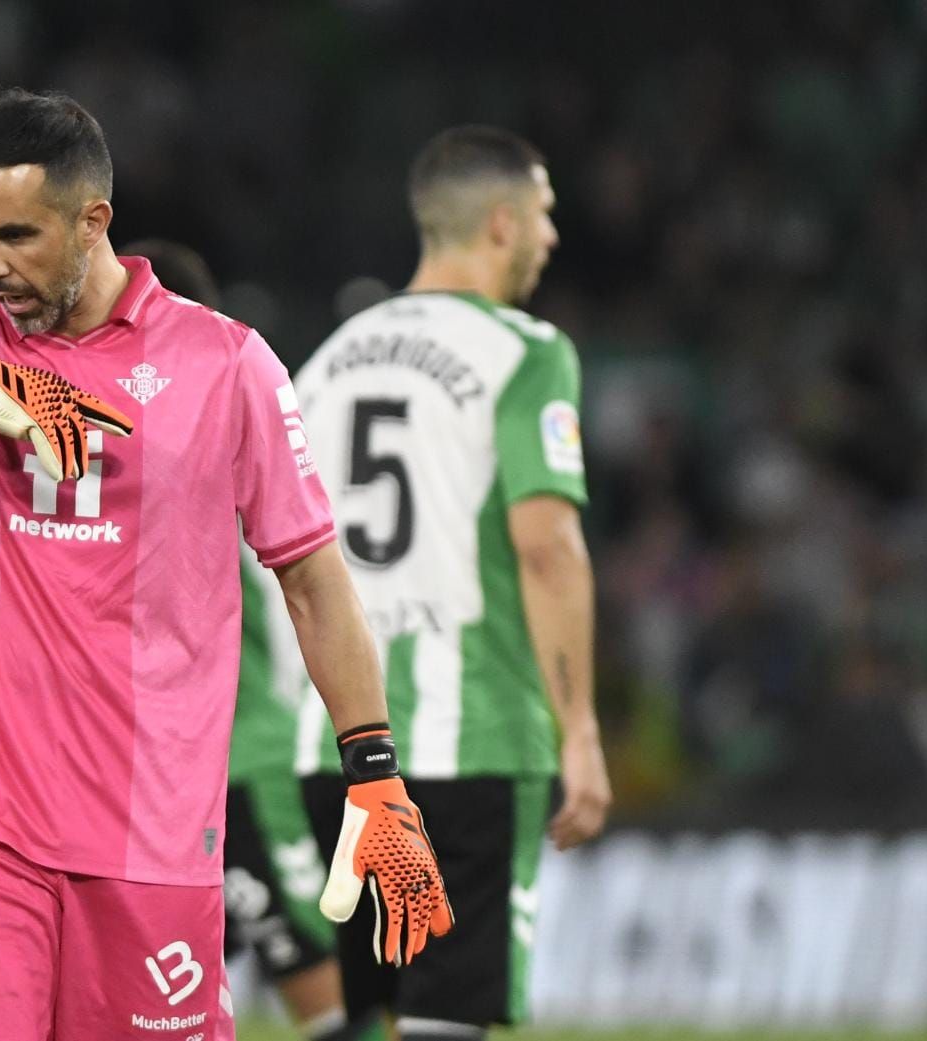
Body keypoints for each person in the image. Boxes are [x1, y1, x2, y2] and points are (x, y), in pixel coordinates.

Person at [0, 89, 449, 1041]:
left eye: (19, 236)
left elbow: (313, 578)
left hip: (151, 823)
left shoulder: (224, 365)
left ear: (93, 220)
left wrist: (376, 771)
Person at [293, 126, 612, 1041]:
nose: (553, 238)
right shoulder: (525, 351)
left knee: (368, 1018)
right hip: (469, 739)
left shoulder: (323, 363)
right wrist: (580, 727)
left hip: (339, 749)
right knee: (445, 1019)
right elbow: (548, 545)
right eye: (546, 217)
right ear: (504, 224)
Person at [125, 238, 371, 1041]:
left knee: (328, 1002)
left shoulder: (188, 438)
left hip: (249, 767)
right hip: (214, 769)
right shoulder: (247, 426)